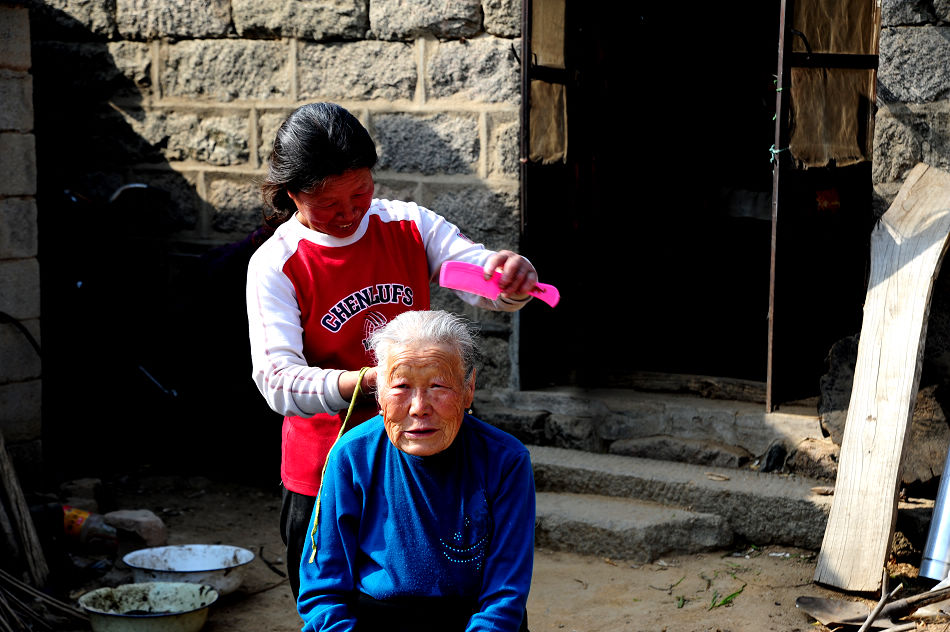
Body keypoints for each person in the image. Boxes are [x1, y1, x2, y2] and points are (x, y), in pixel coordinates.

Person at [246, 102, 540, 597]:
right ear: (293, 194)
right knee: (335, 602)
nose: (349, 213)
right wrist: (365, 384)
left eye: (360, 193)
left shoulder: (407, 226)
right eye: (328, 204)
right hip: (325, 469)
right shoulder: (277, 264)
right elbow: (277, 379)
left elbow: (473, 276)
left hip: (427, 458)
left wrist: (506, 277)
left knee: (454, 595)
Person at [298, 310, 535, 631]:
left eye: (438, 385)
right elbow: (323, 590)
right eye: (401, 386)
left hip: (475, 618)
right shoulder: (351, 455)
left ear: (469, 388)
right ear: (379, 392)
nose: (419, 406)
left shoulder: (505, 460)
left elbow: (505, 594)